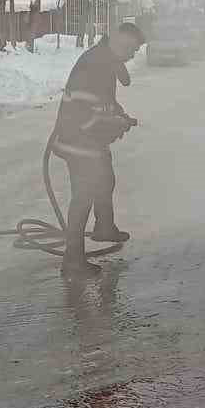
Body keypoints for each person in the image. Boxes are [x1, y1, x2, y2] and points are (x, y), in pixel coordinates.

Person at [52, 21, 145, 277]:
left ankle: (105, 227)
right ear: (116, 41)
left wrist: (119, 116)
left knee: (105, 180)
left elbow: (105, 101)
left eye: (135, 51)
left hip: (90, 140)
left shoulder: (106, 61)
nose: (132, 55)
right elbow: (84, 109)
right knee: (83, 196)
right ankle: (72, 261)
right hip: (78, 140)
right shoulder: (95, 64)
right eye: (130, 49)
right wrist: (112, 124)